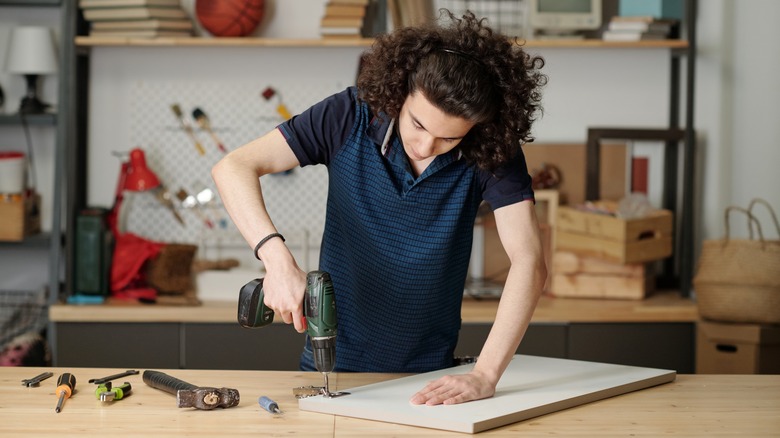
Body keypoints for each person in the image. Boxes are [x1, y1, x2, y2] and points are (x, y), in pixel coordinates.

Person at [212, 10, 548, 406]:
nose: (424, 147)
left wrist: (485, 375)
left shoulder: (491, 149)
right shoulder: (347, 116)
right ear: (400, 91)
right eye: (418, 125)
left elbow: (529, 262)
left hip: (429, 379)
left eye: (448, 139)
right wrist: (277, 260)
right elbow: (233, 167)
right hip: (330, 364)